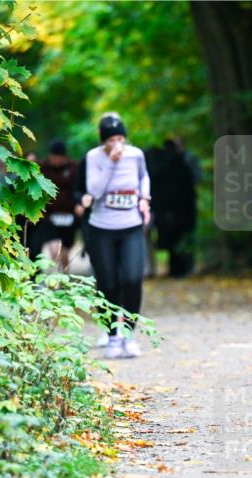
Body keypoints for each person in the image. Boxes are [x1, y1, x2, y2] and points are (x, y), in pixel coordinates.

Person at [82, 113, 151, 359]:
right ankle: (112, 336)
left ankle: (129, 335)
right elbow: (95, 191)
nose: (117, 144)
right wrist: (111, 162)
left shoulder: (136, 155)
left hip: (131, 226)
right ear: (103, 141)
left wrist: (144, 198)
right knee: (108, 283)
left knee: (132, 279)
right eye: (111, 140)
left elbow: (144, 177)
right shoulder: (94, 157)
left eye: (120, 139)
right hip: (102, 228)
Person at [147, 137, 200, 277]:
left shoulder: (160, 163)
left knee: (174, 239)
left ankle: (178, 268)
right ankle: (181, 268)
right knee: (180, 238)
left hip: (169, 210)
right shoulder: (181, 162)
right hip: (181, 209)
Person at [37, 139, 80, 271]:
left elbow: (78, 189)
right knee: (54, 250)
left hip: (69, 216)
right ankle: (55, 276)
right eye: (54, 156)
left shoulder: (73, 168)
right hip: (50, 216)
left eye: (60, 157)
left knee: (65, 252)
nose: (57, 160)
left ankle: (64, 276)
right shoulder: (42, 168)